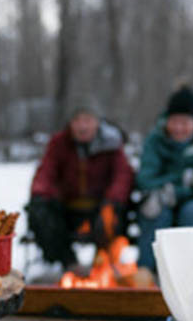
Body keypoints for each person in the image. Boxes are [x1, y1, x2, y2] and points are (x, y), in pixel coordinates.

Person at [28, 99, 134, 268]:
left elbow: (123, 176)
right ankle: (69, 263)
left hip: (102, 208)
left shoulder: (112, 144)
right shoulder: (58, 143)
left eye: (87, 120)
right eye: (77, 120)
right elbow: (45, 172)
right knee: (39, 212)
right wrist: (40, 193)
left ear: (97, 122)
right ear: (70, 123)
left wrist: (113, 201)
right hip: (68, 209)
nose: (82, 126)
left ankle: (102, 266)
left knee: (111, 217)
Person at [136, 85, 193, 272]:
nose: (179, 128)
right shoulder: (154, 141)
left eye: (185, 123)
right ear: (166, 121)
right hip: (162, 200)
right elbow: (145, 178)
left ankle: (192, 274)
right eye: (174, 121)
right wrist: (177, 184)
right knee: (155, 212)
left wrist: (178, 188)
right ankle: (147, 277)